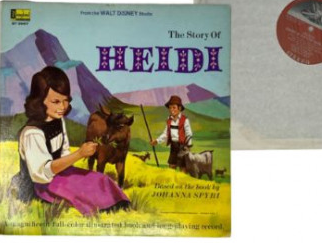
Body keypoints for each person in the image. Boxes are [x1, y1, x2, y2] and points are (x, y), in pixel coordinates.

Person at [15, 66, 129, 216]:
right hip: (40, 186)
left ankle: (118, 204)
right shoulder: (32, 133)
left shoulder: (58, 121)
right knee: (82, 193)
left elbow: (64, 154)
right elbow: (40, 174)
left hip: (59, 175)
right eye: (56, 101)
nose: (63, 107)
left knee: (100, 179)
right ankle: (104, 209)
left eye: (65, 100)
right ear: (39, 101)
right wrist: (79, 154)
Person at [151, 95, 193, 170]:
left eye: (174, 107)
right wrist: (157, 141)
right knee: (171, 167)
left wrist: (188, 147)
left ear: (179, 108)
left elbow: (189, 134)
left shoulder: (185, 120)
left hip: (182, 147)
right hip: (173, 147)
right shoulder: (169, 120)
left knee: (183, 168)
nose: (171, 110)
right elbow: (166, 134)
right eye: (170, 108)